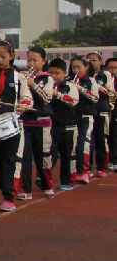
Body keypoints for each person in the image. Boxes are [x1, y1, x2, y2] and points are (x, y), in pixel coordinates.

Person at [0, 40, 33, 212]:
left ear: (12, 56)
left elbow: (26, 97)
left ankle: (9, 196)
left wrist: (24, 105)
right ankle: (5, 189)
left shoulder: (19, 78)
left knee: (10, 160)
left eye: (3, 57)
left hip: (14, 124)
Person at [18, 46, 56, 200]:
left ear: (43, 61)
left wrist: (32, 84)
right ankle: (25, 190)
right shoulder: (22, 77)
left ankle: (48, 185)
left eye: (35, 60)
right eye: (29, 60)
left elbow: (46, 98)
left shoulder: (48, 78)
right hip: (26, 122)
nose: (31, 63)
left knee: (43, 157)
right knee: (25, 157)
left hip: (42, 122)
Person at [48, 58, 79, 190]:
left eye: (57, 73)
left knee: (68, 155)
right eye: (51, 73)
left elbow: (73, 101)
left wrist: (58, 95)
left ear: (65, 73)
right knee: (50, 154)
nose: (54, 76)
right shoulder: (46, 85)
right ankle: (44, 178)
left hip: (69, 126)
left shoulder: (70, 86)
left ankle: (67, 181)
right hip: (52, 126)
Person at [70, 56, 99, 184]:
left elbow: (95, 98)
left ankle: (85, 171)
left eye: (79, 67)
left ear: (86, 67)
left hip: (86, 116)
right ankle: (74, 171)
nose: (76, 70)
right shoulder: (69, 80)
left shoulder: (91, 80)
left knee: (84, 144)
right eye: (73, 67)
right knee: (74, 145)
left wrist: (81, 89)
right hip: (72, 116)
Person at [86, 51, 114, 177]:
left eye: (94, 60)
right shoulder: (85, 75)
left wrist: (96, 85)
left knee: (101, 139)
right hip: (88, 111)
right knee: (88, 141)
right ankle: (88, 167)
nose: (92, 63)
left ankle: (102, 167)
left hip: (101, 110)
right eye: (89, 61)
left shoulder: (106, 74)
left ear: (100, 61)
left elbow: (110, 92)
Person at [106, 57, 117, 172]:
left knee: (115, 135)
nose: (112, 70)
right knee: (107, 136)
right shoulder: (103, 80)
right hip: (106, 111)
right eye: (110, 67)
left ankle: (114, 160)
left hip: (116, 111)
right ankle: (109, 160)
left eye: (114, 68)